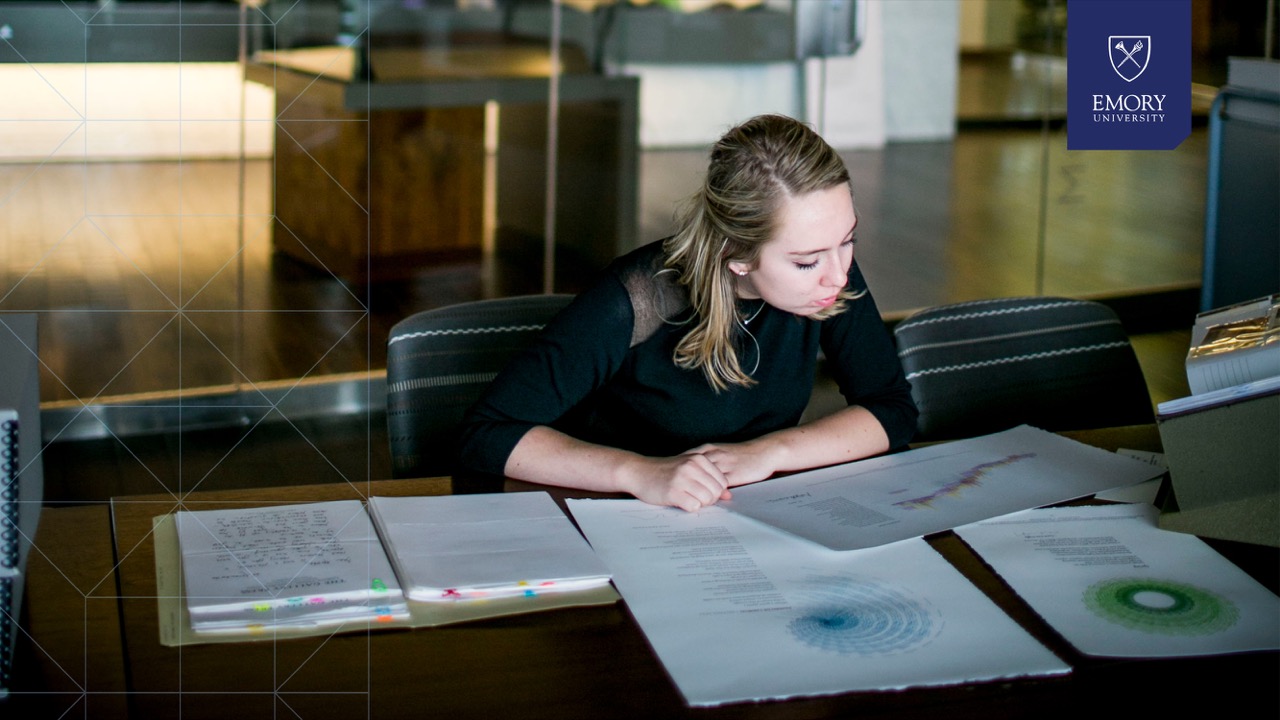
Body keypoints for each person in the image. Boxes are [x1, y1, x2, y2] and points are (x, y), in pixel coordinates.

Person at [457, 114, 917, 511]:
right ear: (736, 253)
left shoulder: (829, 274)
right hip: (622, 522)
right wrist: (638, 473)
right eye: (805, 261)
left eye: (848, 240)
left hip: (746, 518)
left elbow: (892, 410)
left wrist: (769, 453)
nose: (838, 275)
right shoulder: (636, 299)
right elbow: (486, 435)